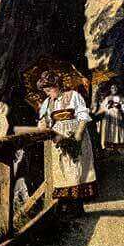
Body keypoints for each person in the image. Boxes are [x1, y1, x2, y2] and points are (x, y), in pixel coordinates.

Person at [37, 70, 97, 213]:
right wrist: (43, 124)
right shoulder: (47, 103)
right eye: (45, 90)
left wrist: (77, 137)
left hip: (76, 135)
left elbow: (83, 117)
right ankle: (65, 205)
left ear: (57, 85)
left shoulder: (74, 96)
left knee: (77, 168)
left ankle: (77, 207)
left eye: (49, 89)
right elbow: (44, 122)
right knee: (62, 171)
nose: (48, 93)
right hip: (58, 139)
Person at [98, 82, 124, 151]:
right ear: (110, 89)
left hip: (117, 116)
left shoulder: (121, 97)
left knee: (117, 129)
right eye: (112, 88)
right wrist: (108, 106)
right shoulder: (107, 98)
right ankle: (110, 144)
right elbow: (102, 107)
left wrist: (119, 107)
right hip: (109, 116)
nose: (114, 89)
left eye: (115, 88)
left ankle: (117, 145)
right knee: (110, 129)